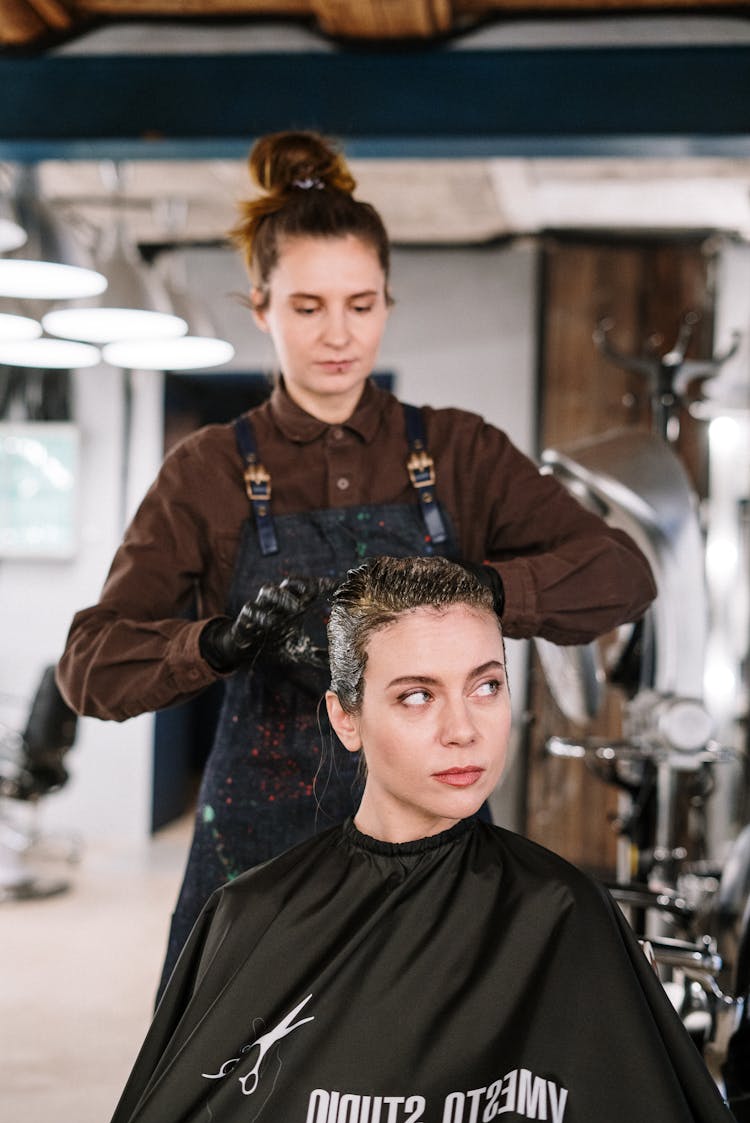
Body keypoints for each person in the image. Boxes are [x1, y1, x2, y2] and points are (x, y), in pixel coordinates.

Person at [55, 130, 656, 992]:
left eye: (361, 303)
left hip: (428, 848)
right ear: (261, 306)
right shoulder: (210, 472)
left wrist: (484, 589)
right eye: (307, 307)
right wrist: (219, 643)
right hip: (259, 854)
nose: (338, 334)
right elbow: (89, 668)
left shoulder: (458, 452)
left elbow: (623, 574)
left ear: (387, 303)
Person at [109, 556, 731, 1123]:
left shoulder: (565, 913)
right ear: (345, 718)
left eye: (487, 686)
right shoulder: (251, 917)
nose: (463, 730)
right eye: (416, 696)